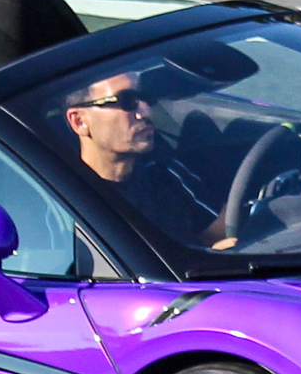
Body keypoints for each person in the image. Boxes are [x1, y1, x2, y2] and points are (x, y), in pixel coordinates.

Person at [62, 71, 235, 250]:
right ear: (79, 121)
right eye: (127, 101)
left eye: (145, 98)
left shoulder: (162, 171)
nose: (145, 111)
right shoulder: (63, 201)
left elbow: (226, 232)